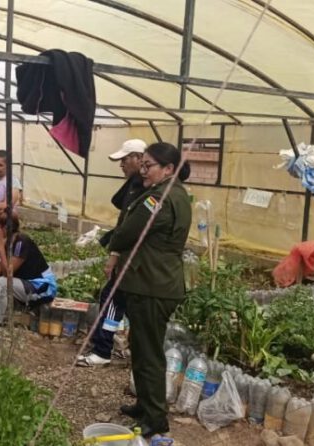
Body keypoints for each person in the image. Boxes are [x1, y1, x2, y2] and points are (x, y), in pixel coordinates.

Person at [106, 142, 192, 438]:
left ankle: (155, 418)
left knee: (149, 353)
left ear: (168, 169)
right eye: (141, 164)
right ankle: (144, 405)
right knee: (142, 348)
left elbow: (128, 230)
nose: (142, 171)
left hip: (152, 284)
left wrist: (113, 243)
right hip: (154, 282)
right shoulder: (173, 194)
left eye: (148, 166)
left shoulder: (160, 198)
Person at [77, 138, 148, 367]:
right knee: (116, 301)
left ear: (139, 158)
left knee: (112, 300)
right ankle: (110, 347)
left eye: (125, 160)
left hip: (130, 259)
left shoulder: (144, 189)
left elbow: (128, 227)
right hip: (131, 259)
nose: (122, 165)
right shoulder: (137, 184)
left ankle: (103, 349)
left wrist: (114, 254)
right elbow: (118, 203)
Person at [0, 211, 57, 325]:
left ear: (5, 228)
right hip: (26, 285)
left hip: (42, 288)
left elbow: (7, 273)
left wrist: (0, 246)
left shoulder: (21, 242)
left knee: (2, 283)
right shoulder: (9, 243)